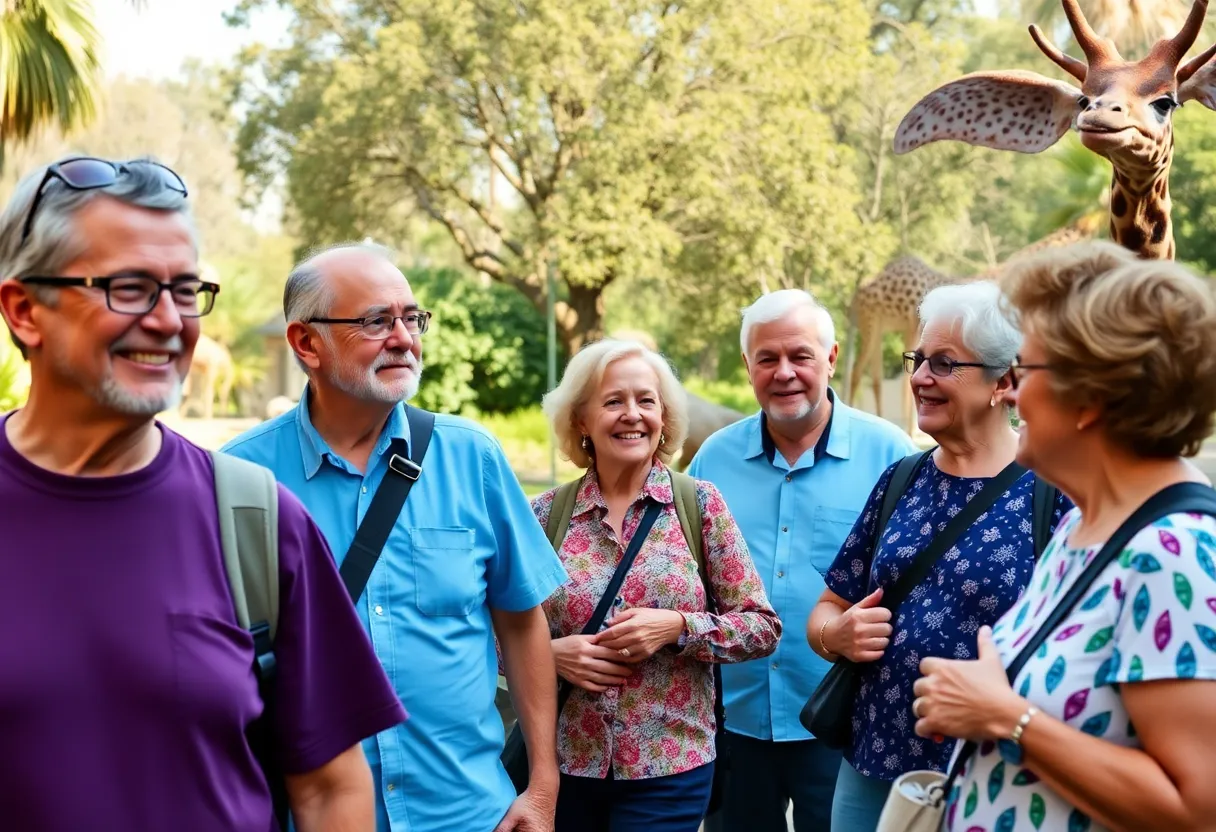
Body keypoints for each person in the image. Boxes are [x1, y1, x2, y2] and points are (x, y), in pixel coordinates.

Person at [0, 155, 407, 830]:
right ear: (24, 310)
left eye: (185, 290)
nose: (169, 321)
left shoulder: (256, 519)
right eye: (129, 288)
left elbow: (332, 790)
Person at [221, 242, 568, 832]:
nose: (404, 338)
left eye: (412, 318)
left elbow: (520, 619)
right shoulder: (239, 481)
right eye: (376, 321)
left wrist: (541, 784)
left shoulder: (471, 457)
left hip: (468, 814)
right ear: (307, 344)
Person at [913, 242, 1216, 832]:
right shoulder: (1083, 525)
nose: (1014, 392)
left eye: (1024, 372)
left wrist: (1005, 717)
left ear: (1090, 398)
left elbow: (1199, 808)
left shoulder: (1172, 554)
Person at [806, 281, 1073, 832]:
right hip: (873, 764)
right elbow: (827, 609)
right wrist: (838, 637)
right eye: (919, 359)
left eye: (945, 364)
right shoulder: (901, 479)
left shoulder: (1054, 490)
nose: (921, 378)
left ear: (1005, 381)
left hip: (996, 772)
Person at [690, 289, 918, 832]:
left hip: (844, 728)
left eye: (801, 356)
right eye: (767, 359)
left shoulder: (895, 458)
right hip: (732, 725)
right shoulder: (710, 461)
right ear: (748, 367)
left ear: (832, 358)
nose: (784, 372)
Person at [532, 338, 781, 831]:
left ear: (663, 417)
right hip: (563, 767)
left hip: (671, 769)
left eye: (646, 401)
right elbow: (491, 635)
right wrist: (550, 654)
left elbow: (761, 628)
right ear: (581, 420)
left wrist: (677, 627)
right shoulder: (543, 516)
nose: (632, 415)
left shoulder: (701, 505)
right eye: (613, 401)